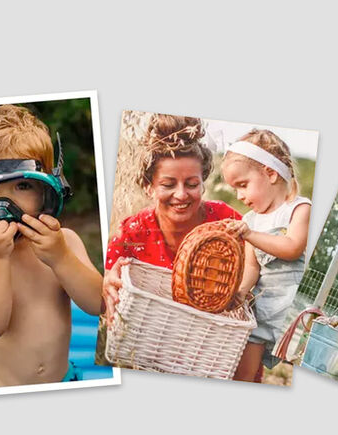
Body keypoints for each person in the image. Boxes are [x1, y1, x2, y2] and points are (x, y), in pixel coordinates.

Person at [0, 105, 103, 388]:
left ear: (46, 189)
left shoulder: (65, 241)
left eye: (22, 186)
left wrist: (61, 258)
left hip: (65, 380)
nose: (4, 204)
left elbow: (99, 304)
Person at [102, 114, 246, 317]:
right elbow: (103, 289)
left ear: (203, 183)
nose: (181, 194)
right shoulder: (132, 233)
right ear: (148, 187)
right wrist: (107, 280)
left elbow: (260, 264)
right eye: (168, 185)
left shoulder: (226, 220)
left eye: (192, 184)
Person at [220, 129, 311, 382]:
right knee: (243, 375)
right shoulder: (251, 221)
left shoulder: (299, 209)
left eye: (243, 185)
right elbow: (252, 267)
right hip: (261, 312)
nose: (239, 196)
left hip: (291, 314)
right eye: (234, 189)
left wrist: (250, 235)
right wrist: (240, 292)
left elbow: (292, 247)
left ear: (270, 173)